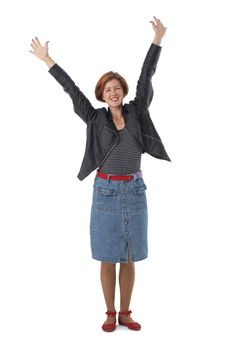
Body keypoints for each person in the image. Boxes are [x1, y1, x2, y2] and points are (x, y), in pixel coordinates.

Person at [30, 16, 170, 332]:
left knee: (130, 255)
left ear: (123, 91)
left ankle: (126, 312)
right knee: (108, 255)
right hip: (105, 192)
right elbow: (71, 89)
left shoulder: (137, 112)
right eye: (108, 89)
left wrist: (157, 40)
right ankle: (109, 312)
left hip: (134, 191)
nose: (113, 92)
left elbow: (147, 75)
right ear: (101, 94)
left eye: (117, 87)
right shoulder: (93, 119)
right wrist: (47, 60)